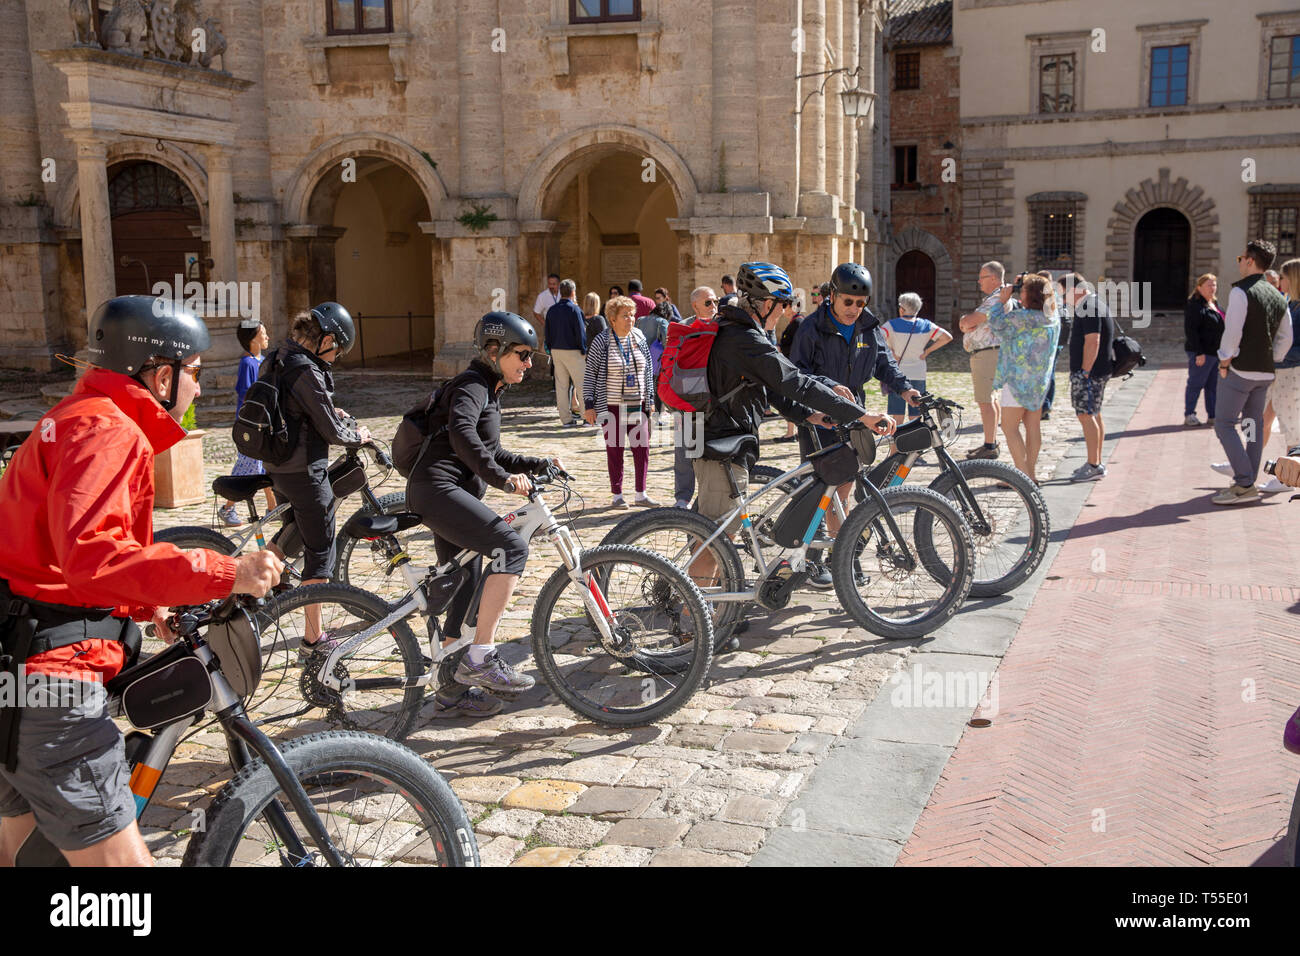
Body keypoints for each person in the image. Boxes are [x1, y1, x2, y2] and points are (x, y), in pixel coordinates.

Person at [0, 295, 281, 867]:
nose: (199, 390)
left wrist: (142, 603)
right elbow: (95, 558)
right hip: (56, 684)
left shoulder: (69, 419)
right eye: (195, 375)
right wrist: (228, 571)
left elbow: (54, 556)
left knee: (21, 854)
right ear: (161, 375)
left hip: (16, 669)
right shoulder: (110, 431)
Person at [689, 262, 895, 590]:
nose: (786, 311)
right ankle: (693, 622)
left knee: (720, 527)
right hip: (719, 440)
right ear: (763, 302)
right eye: (783, 303)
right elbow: (794, 380)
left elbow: (770, 387)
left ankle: (713, 607)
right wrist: (859, 415)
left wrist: (809, 416)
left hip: (727, 437)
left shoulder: (746, 333)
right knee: (718, 533)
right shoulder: (742, 338)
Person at [406, 312, 561, 716]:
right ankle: (482, 658)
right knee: (511, 548)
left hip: (447, 493)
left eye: (530, 356)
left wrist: (535, 465)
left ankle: (451, 687)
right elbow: (462, 435)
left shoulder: (489, 390)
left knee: (465, 581)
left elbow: (492, 452)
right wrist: (503, 482)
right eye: (523, 355)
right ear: (494, 351)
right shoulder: (473, 386)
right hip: (438, 491)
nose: (529, 363)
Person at [790, 262, 919, 584]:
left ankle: (828, 556)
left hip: (856, 413)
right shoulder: (811, 327)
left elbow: (884, 363)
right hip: (821, 414)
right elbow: (797, 373)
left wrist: (905, 389)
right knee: (834, 488)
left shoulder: (868, 326)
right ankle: (837, 559)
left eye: (860, 303)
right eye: (848, 301)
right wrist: (827, 386)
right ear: (832, 296)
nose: (853, 309)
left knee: (839, 489)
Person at [262, 303, 372, 648]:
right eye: (337, 349)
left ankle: (248, 589)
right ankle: (315, 637)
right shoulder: (305, 368)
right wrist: (360, 436)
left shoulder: (278, 356)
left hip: (277, 465)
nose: (336, 357)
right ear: (325, 339)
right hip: (304, 470)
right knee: (319, 552)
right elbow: (332, 430)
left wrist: (323, 408)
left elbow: (292, 408)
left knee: (291, 534)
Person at [1210, 239, 1291, 505]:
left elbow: (1232, 333)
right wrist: (1273, 358)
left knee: (1224, 423)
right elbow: (1285, 337)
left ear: (1250, 260)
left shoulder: (1241, 292)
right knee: (1253, 424)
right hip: (1265, 372)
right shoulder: (1277, 295)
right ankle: (1248, 481)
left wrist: (1224, 361)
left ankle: (1244, 481)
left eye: (1240, 258)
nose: (1240, 263)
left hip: (1240, 370)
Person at [584, 296, 658, 508]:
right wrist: (589, 405)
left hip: (638, 404)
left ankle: (640, 494)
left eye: (632, 315)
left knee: (642, 447)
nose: (630, 319)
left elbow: (648, 371)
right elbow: (590, 374)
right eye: (625, 315)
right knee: (615, 449)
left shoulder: (639, 337)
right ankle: (617, 495)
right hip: (612, 406)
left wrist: (650, 399)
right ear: (612, 319)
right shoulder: (602, 341)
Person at [986, 275, 1060, 484]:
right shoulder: (1052, 317)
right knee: (1033, 426)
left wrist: (1002, 300)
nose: (1021, 292)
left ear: (1031, 294)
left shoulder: (1022, 318)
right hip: (1039, 381)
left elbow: (996, 324)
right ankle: (1031, 474)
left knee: (1009, 427)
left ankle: (1022, 477)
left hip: (1017, 381)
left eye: (1024, 289)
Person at [219, 320, 277, 525]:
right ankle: (227, 508)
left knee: (263, 464)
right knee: (249, 465)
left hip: (260, 424)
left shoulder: (260, 360)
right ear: (253, 338)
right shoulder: (248, 363)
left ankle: (272, 507)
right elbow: (246, 393)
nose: (267, 336)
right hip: (249, 425)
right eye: (264, 333)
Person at [1060, 274, 1114, 483]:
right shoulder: (1094, 303)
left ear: (1076, 289)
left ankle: (1093, 465)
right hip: (1097, 371)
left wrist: (1084, 371)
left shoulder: (1088, 306)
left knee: (1086, 415)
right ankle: (1096, 461)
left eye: (1064, 294)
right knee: (1094, 414)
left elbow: (1093, 341)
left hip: (1090, 373)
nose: (1064, 299)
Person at [672, 286, 717, 508]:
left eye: (715, 301)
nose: (713, 307)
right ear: (695, 305)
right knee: (684, 450)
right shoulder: (684, 329)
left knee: (709, 451)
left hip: (715, 399)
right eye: (708, 302)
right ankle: (683, 497)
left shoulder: (722, 328)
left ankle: (708, 496)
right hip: (688, 399)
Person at [957, 261, 1007, 459]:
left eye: (982, 277)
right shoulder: (996, 297)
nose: (979, 281)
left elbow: (969, 322)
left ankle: (990, 445)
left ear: (993, 278)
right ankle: (990, 441)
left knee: (986, 400)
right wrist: (966, 323)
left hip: (988, 353)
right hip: (987, 353)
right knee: (990, 399)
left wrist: (964, 322)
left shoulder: (997, 299)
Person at [883, 292, 952, 425]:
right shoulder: (926, 325)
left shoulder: (891, 325)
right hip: (918, 373)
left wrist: (891, 352)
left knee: (897, 415)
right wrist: (927, 351)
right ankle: (915, 444)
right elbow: (947, 337)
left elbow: (877, 338)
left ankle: (895, 445)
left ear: (902, 309)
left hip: (897, 373)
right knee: (916, 413)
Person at [544, 279, 587, 426]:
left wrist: (550, 349)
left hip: (556, 350)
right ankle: (587, 416)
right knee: (581, 385)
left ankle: (566, 419)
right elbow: (581, 332)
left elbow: (547, 332)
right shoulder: (575, 310)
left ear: (561, 292)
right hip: (573, 350)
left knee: (561, 386)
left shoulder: (552, 310)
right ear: (573, 292)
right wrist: (583, 349)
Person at [1183, 273, 1223, 427]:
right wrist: (1198, 352)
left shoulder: (1214, 303)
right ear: (1199, 287)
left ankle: (1213, 415)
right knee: (1196, 383)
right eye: (1209, 285)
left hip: (1215, 352)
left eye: (1214, 284)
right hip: (1202, 352)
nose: (1212, 288)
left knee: (1212, 386)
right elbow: (1191, 331)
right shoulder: (1195, 305)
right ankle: (1189, 414)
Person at [1035, 270, 1063, 420]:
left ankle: (1044, 405)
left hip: (1048, 341)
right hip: (1057, 340)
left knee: (1046, 372)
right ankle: (1046, 405)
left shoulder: (1046, 297)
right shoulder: (1057, 296)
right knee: (1050, 372)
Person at [777, 295, 805, 441]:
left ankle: (793, 432)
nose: (783, 310)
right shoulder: (796, 322)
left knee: (794, 398)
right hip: (793, 365)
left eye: (785, 306)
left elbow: (796, 347)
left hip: (795, 366)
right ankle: (792, 432)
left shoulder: (798, 323)